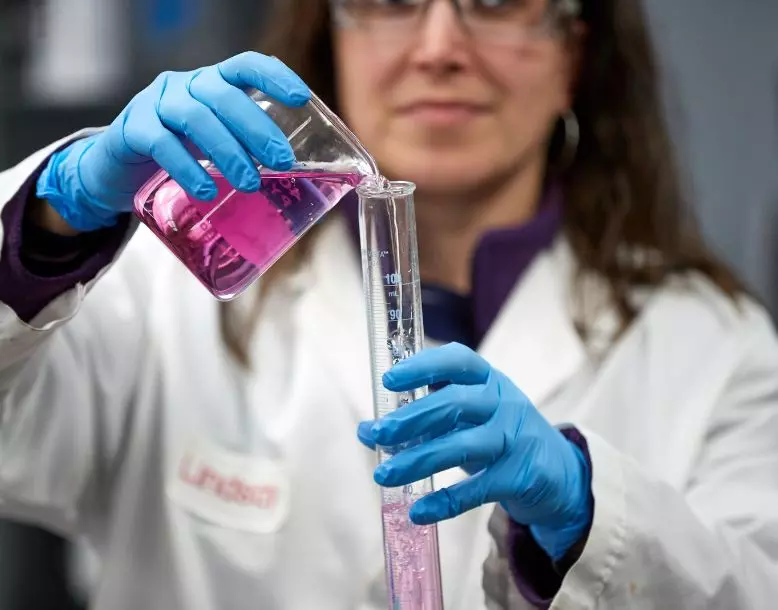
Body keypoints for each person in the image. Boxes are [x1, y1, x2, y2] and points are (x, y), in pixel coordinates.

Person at [1, 0, 777, 608]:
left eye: (497, 1)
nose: (439, 46)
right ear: (332, 39)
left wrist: (589, 520)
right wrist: (49, 223)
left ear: (574, 52)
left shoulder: (710, 344)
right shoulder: (169, 293)